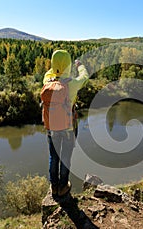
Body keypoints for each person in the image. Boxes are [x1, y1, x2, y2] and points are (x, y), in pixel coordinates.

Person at [41, 50, 89, 196]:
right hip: (68, 128)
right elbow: (85, 77)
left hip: (51, 128)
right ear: (68, 65)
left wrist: (57, 68)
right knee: (66, 157)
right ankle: (63, 187)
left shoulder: (47, 81)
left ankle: (54, 187)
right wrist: (79, 65)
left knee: (53, 156)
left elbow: (51, 72)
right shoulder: (72, 84)